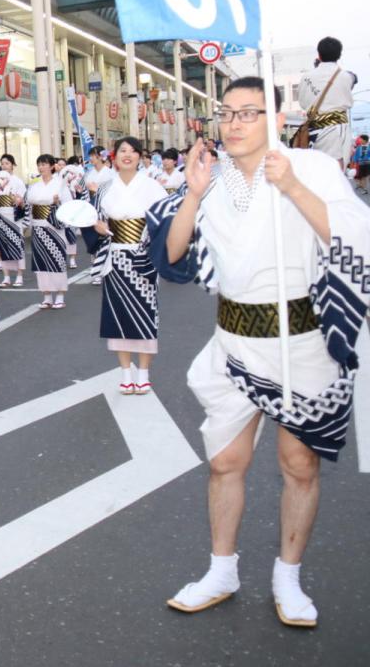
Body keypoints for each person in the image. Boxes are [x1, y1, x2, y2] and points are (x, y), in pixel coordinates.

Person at [148, 77, 370, 627]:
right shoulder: (214, 180)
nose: (236, 123)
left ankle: (287, 577)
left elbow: (352, 236)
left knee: (298, 463)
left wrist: (292, 185)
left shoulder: (311, 168)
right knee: (225, 462)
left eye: (249, 112)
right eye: (228, 113)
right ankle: (221, 570)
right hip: (233, 338)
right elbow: (172, 256)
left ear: (275, 118)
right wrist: (194, 191)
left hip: (302, 341)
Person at [82, 137, 165, 394]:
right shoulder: (106, 188)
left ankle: (144, 372)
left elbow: (166, 219)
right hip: (115, 257)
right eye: (122, 151)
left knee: (145, 314)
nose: (127, 155)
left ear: (140, 156)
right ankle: (126, 372)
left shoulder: (152, 187)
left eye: (132, 151)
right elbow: (91, 217)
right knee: (116, 316)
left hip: (144, 257)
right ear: (114, 157)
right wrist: (97, 225)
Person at [298, 36, 356, 167]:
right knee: (335, 174)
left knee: (316, 172)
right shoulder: (345, 76)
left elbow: (302, 102)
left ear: (319, 54)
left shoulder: (306, 77)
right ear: (339, 55)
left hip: (312, 131)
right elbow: (353, 80)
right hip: (337, 129)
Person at [25, 154, 68, 309]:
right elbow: (29, 204)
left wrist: (58, 202)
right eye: (39, 164)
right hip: (37, 226)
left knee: (57, 259)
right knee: (41, 261)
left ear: (51, 166)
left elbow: (68, 205)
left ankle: (60, 295)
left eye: (44, 164)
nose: (41, 167)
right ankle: (47, 295)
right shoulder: (35, 185)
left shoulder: (60, 184)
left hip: (53, 226)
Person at [0, 154, 26, 287]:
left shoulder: (18, 181)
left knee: (17, 244)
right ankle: (6, 277)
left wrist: (18, 200)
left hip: (13, 217)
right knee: (3, 245)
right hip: (0, 216)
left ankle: (19, 275)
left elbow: (22, 202)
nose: (4, 166)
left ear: (13, 165)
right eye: (2, 163)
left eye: (7, 163)